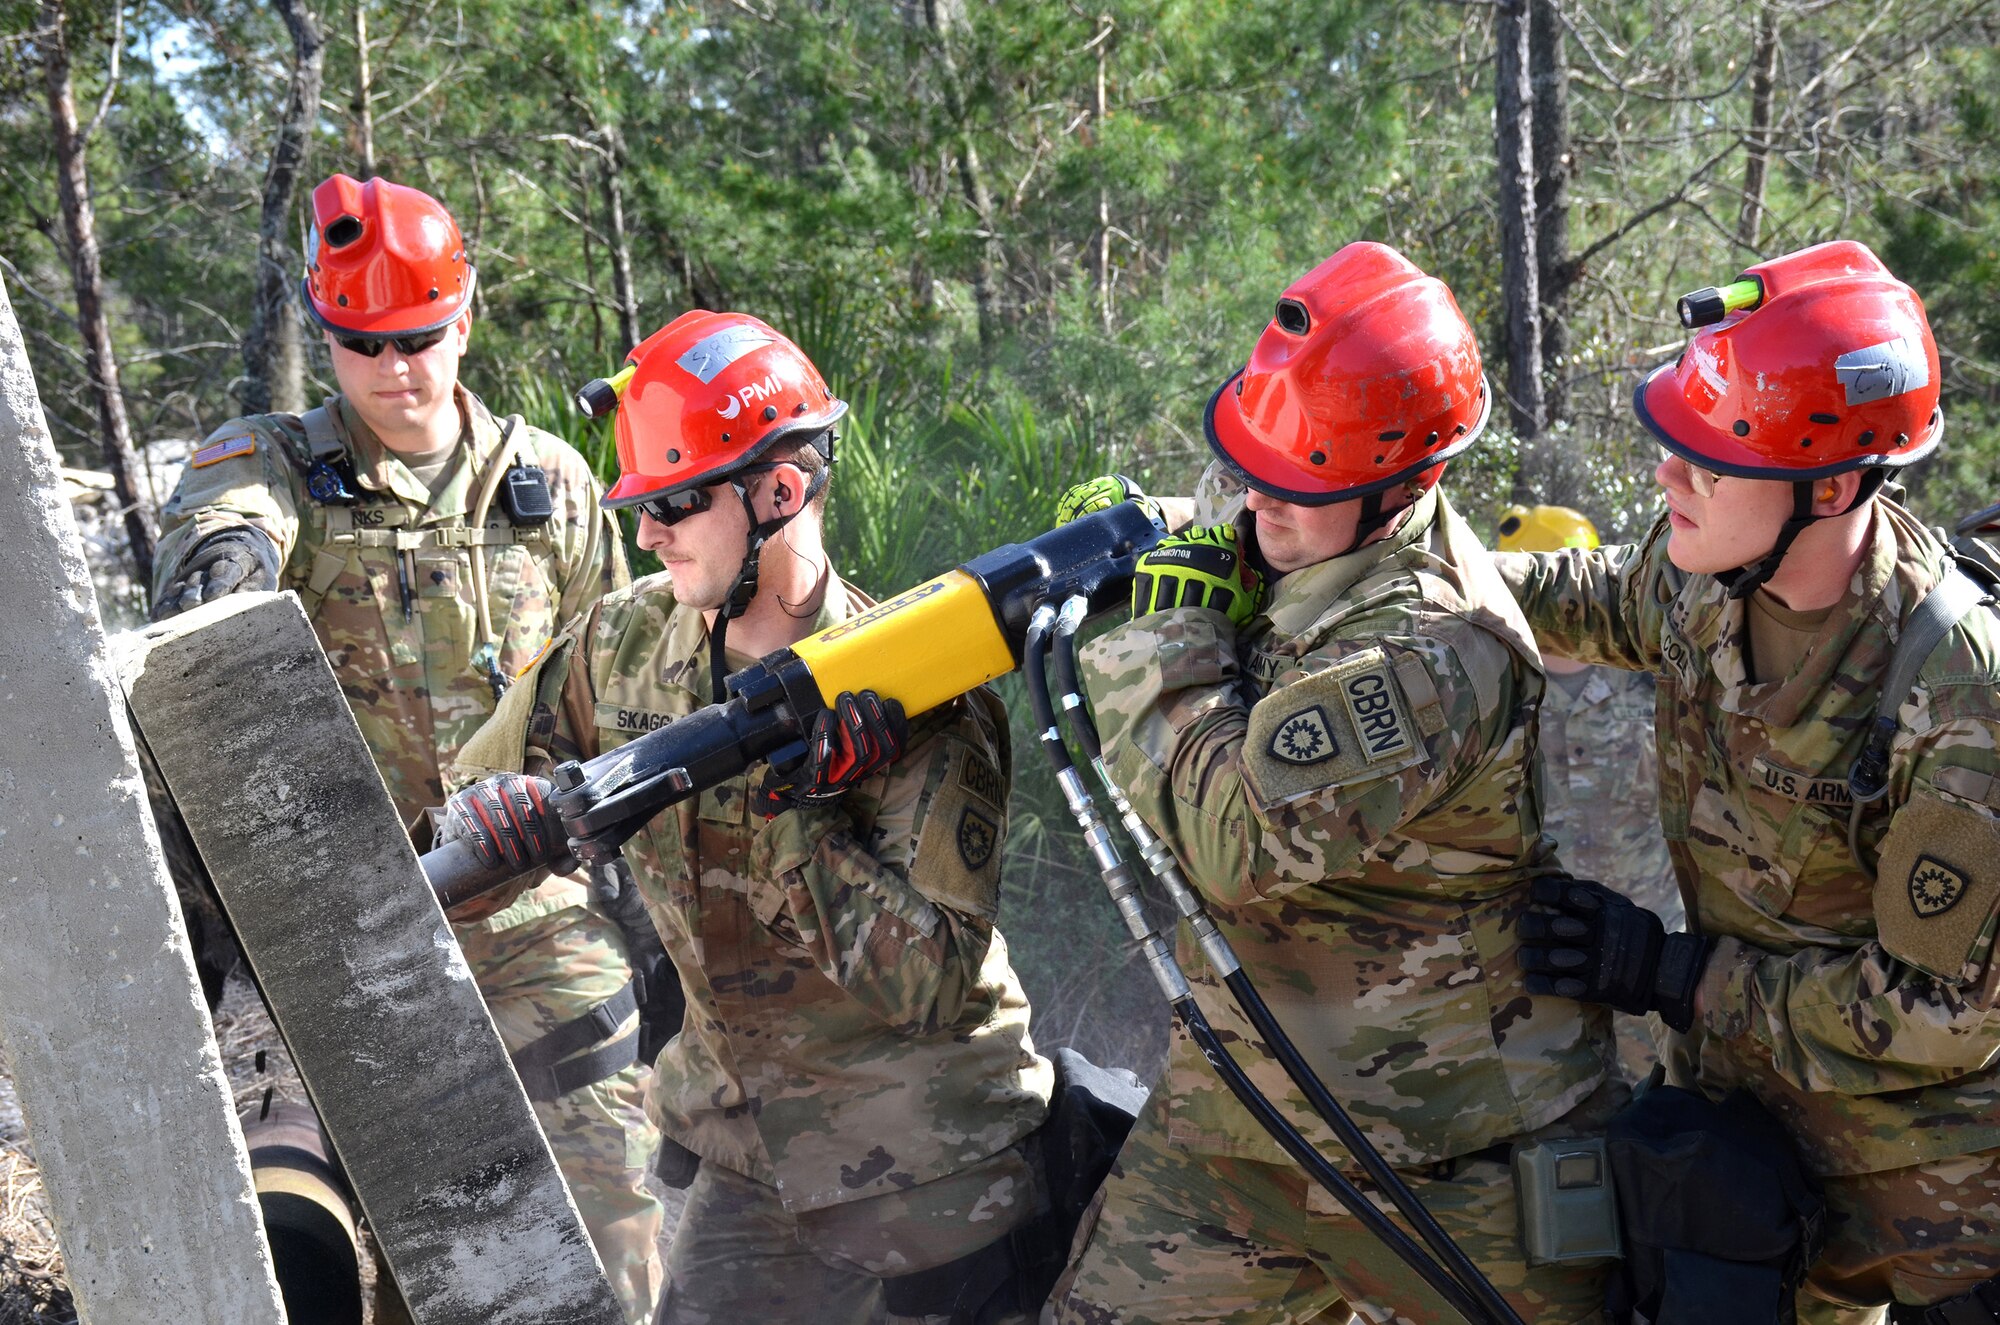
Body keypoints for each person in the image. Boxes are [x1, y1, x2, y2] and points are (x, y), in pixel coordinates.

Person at [1047, 242, 1619, 1325]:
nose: (1259, 496)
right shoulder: (1301, 523)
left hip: (1448, 1156)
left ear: (1410, 483)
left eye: (1301, 480)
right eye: (1255, 460)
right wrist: (1132, 527)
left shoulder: (1432, 645)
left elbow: (1229, 839)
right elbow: (1248, 526)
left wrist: (1166, 630)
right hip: (1241, 1122)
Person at [445, 309, 1054, 1325]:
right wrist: (495, 818)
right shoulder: (627, 637)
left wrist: (798, 815)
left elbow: (931, 988)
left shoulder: (922, 698)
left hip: (927, 1164)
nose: (645, 533)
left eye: (675, 503)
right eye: (641, 507)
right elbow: (480, 789)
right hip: (752, 1153)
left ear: (777, 492)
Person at [150, 174, 664, 1323]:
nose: (393, 368)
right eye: (360, 343)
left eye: (419, 338)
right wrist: (221, 577)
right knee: (406, 1258)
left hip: (532, 919)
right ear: (326, 335)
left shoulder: (555, 488)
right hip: (339, 928)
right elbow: (219, 537)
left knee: (601, 1234)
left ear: (466, 316)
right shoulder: (270, 461)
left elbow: (612, 688)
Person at [1498, 239, 2000, 1322]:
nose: (1666, 475)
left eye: (1709, 459)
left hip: (1937, 1203)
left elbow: (1937, 1013)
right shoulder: (1701, 584)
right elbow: (1573, 595)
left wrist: (1679, 977)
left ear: (1829, 484)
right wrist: (1355, 547)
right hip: (1750, 1153)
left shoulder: (1957, 688)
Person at [1496, 503, 1682, 1082]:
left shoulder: (1654, 676)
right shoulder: (1498, 681)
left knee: (1667, 1103)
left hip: (1655, 943)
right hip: (1543, 948)